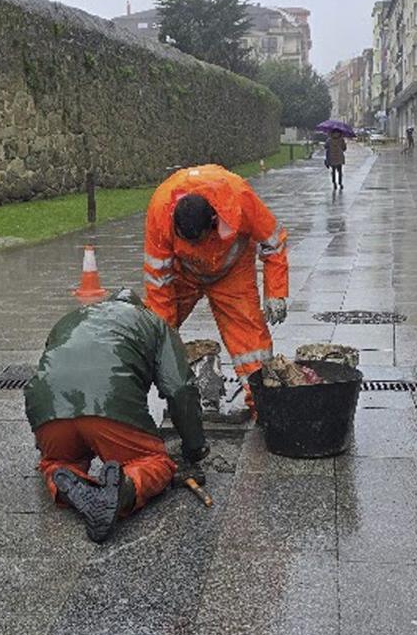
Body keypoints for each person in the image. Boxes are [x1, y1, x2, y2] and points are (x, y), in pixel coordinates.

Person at [25, 288, 208, 543]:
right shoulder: (153, 322)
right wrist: (194, 447)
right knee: (155, 461)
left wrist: (43, 445)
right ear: (140, 307)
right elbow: (180, 388)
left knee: (58, 462)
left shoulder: (71, 320)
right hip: (109, 404)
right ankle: (123, 490)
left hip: (49, 410)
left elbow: (52, 372)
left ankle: (63, 479)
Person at [143, 164, 288, 412]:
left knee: (251, 344)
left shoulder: (239, 198)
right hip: (183, 273)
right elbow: (158, 281)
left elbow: (273, 243)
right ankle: (172, 395)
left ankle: (262, 404)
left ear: (213, 221)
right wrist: (164, 332)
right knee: (154, 333)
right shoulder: (160, 210)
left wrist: (276, 292)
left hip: (232, 272)